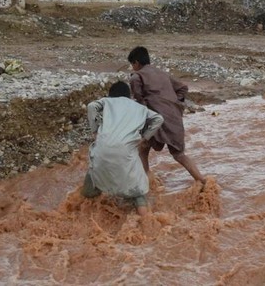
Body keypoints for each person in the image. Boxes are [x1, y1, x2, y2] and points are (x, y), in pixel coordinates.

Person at [81, 81, 164, 216]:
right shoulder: (140, 108)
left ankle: (84, 211)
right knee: (138, 188)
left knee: (94, 171)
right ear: (129, 95)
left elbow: (91, 106)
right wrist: (145, 137)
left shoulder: (107, 102)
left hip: (102, 148)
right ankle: (146, 221)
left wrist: (95, 130)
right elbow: (158, 119)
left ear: (111, 95)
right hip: (126, 151)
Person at [127, 46, 206, 183]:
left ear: (136, 63)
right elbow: (183, 88)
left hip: (156, 119)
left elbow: (140, 103)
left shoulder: (136, 77)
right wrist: (175, 103)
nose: (132, 67)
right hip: (174, 118)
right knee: (179, 155)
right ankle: (203, 181)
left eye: (132, 64)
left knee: (143, 148)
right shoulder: (162, 74)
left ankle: (147, 179)